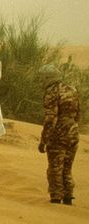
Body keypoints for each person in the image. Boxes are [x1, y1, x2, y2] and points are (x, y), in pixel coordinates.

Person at [38, 64, 80, 205]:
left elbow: (51, 118)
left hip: (59, 133)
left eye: (42, 78)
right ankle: (68, 196)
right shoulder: (72, 89)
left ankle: (56, 198)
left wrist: (44, 140)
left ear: (48, 78)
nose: (41, 80)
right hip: (73, 131)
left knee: (56, 166)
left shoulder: (52, 92)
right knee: (67, 166)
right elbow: (78, 113)